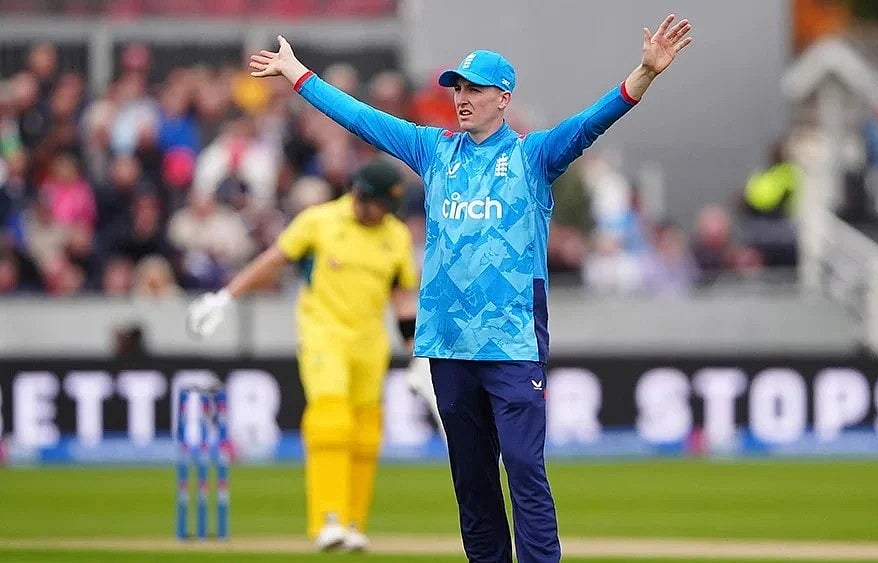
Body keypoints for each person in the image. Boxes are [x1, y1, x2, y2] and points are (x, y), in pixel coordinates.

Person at [247, 13, 692, 562]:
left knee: (525, 470)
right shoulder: (434, 151)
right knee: (472, 483)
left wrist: (643, 74)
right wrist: (298, 74)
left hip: (511, 344)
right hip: (447, 344)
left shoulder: (532, 157)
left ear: (503, 98)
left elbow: (589, 124)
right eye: (457, 87)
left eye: (474, 89)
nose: (461, 97)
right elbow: (363, 119)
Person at [185, 158, 420, 552]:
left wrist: (417, 357)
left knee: (366, 433)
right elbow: (273, 261)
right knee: (331, 419)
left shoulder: (394, 235)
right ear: (362, 197)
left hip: (370, 343)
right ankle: (327, 520)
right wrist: (226, 297)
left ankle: (352, 523)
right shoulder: (319, 221)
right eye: (381, 205)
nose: (385, 215)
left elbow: (401, 298)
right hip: (323, 334)